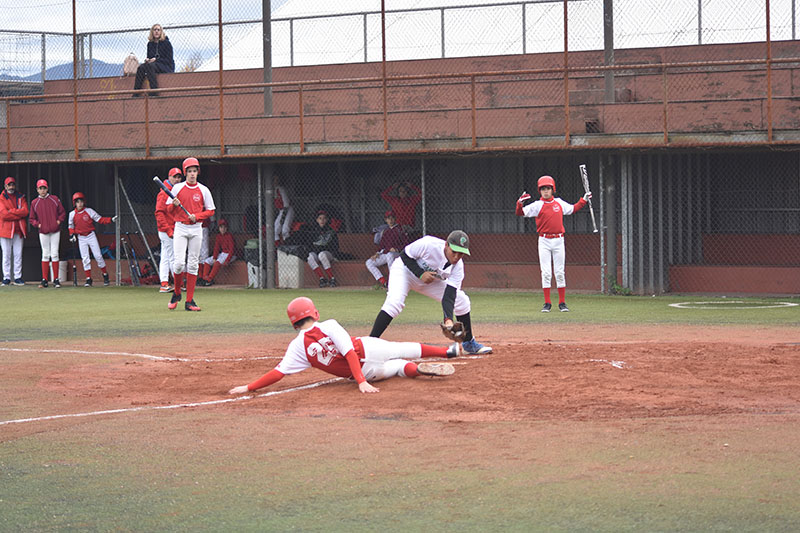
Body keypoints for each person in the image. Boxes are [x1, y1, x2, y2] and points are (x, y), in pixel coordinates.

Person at [229, 297, 460, 396]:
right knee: (401, 348)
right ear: (315, 313)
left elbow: (277, 373)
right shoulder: (329, 324)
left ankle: (414, 370)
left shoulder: (297, 346)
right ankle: (447, 351)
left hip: (369, 373)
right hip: (368, 350)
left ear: (293, 322)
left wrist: (248, 388)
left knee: (399, 367)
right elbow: (349, 351)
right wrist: (361, 383)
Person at [369, 230, 493, 355]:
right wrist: (420, 273)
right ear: (446, 245)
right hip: (405, 272)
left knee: (462, 301)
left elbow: (449, 295)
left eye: (461, 254)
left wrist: (448, 319)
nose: (456, 257)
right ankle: (370, 344)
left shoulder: (458, 267)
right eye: (454, 252)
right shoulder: (429, 244)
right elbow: (405, 255)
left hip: (430, 281)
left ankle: (468, 343)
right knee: (394, 303)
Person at [515, 175, 591, 312]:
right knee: (546, 272)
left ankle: (562, 303)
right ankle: (547, 303)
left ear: (553, 189)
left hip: (558, 240)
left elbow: (573, 209)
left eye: (548, 188)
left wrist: (584, 200)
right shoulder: (538, 205)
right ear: (540, 191)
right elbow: (520, 213)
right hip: (544, 240)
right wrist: (519, 203)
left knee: (560, 272)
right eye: (543, 189)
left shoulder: (559, 203)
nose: (546, 191)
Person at [167, 157, 215, 311]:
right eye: (189, 171)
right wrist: (174, 206)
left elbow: (210, 210)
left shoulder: (203, 189)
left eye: (194, 171)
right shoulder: (177, 189)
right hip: (180, 227)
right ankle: (176, 292)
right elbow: (167, 210)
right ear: (185, 173)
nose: (192, 174)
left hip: (196, 228)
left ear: (197, 172)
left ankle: (189, 301)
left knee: (193, 263)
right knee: (179, 263)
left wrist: (198, 216)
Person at [68, 192, 117, 287]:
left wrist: (110, 220)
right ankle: (88, 279)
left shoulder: (89, 211)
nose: (80, 204)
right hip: (81, 237)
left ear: (84, 202)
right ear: (75, 203)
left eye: (81, 201)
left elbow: (100, 219)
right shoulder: (72, 214)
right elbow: (71, 226)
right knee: (85, 258)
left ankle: (105, 275)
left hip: (91, 236)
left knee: (98, 256)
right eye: (77, 202)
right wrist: (71, 235)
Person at [28, 179, 66, 288]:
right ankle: (44, 279)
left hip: (55, 231)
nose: (42, 190)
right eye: (40, 188)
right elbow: (31, 219)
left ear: (47, 188)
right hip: (43, 231)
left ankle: (56, 279)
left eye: (44, 188)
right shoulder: (35, 203)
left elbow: (62, 213)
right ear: (37, 190)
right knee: (45, 254)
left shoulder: (54, 199)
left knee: (54, 254)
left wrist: (58, 221)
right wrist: (38, 225)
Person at [155, 167, 183, 293]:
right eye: (174, 177)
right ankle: (178, 284)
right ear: (169, 177)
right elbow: (159, 213)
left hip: (170, 229)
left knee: (166, 257)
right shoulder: (164, 193)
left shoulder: (174, 192)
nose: (177, 179)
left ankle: (164, 283)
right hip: (167, 230)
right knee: (173, 257)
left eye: (179, 177)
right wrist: (168, 230)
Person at [365, 209, 408, 289]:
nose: (390, 220)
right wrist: (377, 254)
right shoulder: (386, 231)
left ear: (395, 218)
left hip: (397, 254)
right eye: (388, 218)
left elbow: (406, 244)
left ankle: (393, 281)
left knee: (389, 255)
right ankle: (383, 282)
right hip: (387, 254)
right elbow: (382, 246)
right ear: (386, 220)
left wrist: (397, 249)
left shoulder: (400, 229)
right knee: (369, 262)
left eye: (392, 218)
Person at [0, 177, 28, 286]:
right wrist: (18, 214)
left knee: (18, 254)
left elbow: (25, 211)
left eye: (12, 185)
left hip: (18, 229)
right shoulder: (1, 197)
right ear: (5, 186)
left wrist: (11, 211)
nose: (11, 187)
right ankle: (6, 277)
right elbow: (3, 214)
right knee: (6, 254)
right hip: (5, 231)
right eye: (9, 185)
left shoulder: (20, 196)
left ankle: (17, 277)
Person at [132, 24, 175, 97]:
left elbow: (169, 60)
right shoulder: (150, 44)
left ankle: (154, 90)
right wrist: (147, 59)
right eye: (155, 30)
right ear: (152, 32)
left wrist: (156, 60)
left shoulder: (167, 43)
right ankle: (136, 92)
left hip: (166, 66)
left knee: (150, 66)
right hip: (153, 65)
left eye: (158, 30)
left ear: (161, 32)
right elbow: (149, 57)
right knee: (141, 67)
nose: (156, 31)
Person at [306, 210, 339, 288]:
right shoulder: (312, 231)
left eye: (324, 218)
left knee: (322, 255)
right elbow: (309, 244)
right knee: (309, 256)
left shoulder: (331, 231)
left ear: (327, 220)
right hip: (316, 252)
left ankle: (332, 278)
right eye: (320, 218)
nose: (322, 220)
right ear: (317, 220)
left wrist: (334, 255)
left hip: (328, 253)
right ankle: (322, 278)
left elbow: (335, 246)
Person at [198, 218, 235, 286]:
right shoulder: (218, 236)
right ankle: (204, 278)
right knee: (207, 261)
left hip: (230, 255)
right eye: (221, 227)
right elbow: (216, 248)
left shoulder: (229, 236)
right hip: (223, 253)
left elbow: (232, 250)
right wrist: (215, 257)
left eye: (224, 227)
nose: (222, 229)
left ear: (227, 228)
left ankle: (209, 279)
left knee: (217, 263)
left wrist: (227, 260)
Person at [273, 174, 294, 247]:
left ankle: (288, 246)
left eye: (276, 179)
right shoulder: (273, 190)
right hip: (281, 211)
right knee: (275, 230)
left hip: (288, 210)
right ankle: (278, 248)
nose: (275, 181)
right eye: (274, 179)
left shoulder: (281, 189)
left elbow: (286, 205)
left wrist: (283, 217)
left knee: (285, 230)